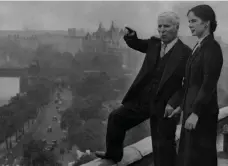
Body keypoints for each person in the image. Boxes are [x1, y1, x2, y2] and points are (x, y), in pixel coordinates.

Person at [95, 11, 192, 166]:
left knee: (163, 147)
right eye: (159, 26)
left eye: (166, 26)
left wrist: (174, 103)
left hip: (164, 106)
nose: (162, 30)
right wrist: (131, 37)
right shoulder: (154, 43)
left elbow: (188, 83)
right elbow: (138, 44)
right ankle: (113, 154)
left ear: (176, 27)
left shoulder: (186, 53)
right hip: (143, 100)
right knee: (117, 117)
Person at [168, 4, 223, 166]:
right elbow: (191, 83)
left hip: (202, 113)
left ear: (206, 23)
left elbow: (208, 84)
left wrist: (196, 113)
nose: (190, 25)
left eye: (194, 21)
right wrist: (182, 106)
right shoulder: (199, 47)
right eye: (189, 21)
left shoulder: (212, 48)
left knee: (200, 158)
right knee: (189, 157)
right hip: (191, 110)